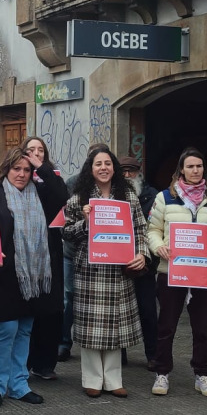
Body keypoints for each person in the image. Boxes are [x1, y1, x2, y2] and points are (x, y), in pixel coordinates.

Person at [0, 146, 68, 406]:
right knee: (8, 329)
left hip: (35, 274)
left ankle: (18, 384)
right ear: (7, 168)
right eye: (17, 168)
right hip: (6, 273)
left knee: (25, 329)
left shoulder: (40, 193)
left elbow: (62, 196)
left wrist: (42, 167)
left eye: (27, 170)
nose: (22, 174)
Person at [62, 148, 150, 397]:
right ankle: (91, 379)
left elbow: (141, 229)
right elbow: (66, 233)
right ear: (90, 169)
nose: (103, 167)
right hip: (90, 270)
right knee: (91, 327)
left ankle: (113, 380)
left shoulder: (129, 196)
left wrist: (142, 254)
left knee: (114, 325)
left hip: (119, 272)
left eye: (108, 163)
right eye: (98, 163)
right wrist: (85, 223)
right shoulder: (79, 199)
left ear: (114, 168)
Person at [146, 147, 207, 398]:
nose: (195, 170)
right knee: (166, 326)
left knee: (201, 327)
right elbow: (152, 230)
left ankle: (202, 374)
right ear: (181, 169)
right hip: (171, 271)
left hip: (204, 274)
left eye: (199, 166)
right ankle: (162, 373)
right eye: (190, 166)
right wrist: (158, 246)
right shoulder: (165, 198)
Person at [58, 142, 110, 363]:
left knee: (104, 300)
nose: (99, 166)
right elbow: (65, 221)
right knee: (69, 298)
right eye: (94, 161)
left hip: (107, 253)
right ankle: (63, 342)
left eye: (105, 162)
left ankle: (112, 348)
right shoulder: (73, 184)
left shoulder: (118, 190)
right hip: (74, 253)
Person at [20, 136, 64, 380]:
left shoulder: (50, 180)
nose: (36, 154)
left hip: (50, 253)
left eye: (40, 151)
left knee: (52, 309)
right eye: (30, 150)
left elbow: (62, 196)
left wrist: (43, 170)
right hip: (26, 254)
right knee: (28, 310)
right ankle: (23, 363)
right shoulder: (19, 182)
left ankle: (45, 363)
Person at [120, 155, 159, 367]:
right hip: (118, 264)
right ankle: (120, 354)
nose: (127, 176)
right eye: (123, 172)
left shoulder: (153, 196)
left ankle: (153, 354)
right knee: (120, 312)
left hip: (145, 264)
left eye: (131, 172)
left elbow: (154, 229)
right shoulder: (113, 195)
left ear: (139, 173)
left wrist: (147, 258)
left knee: (148, 311)